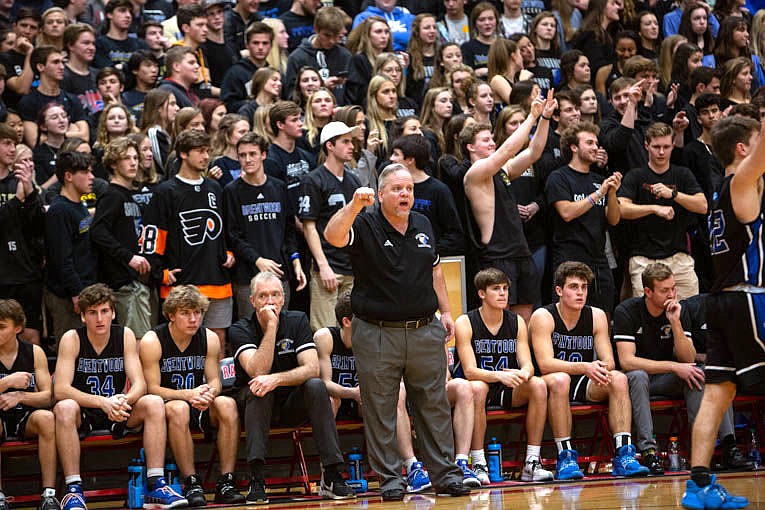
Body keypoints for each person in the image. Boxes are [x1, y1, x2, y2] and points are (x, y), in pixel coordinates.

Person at [324, 164, 470, 501]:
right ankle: (391, 479)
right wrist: (354, 206)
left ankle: (445, 475)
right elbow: (332, 236)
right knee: (381, 407)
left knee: (433, 405)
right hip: (376, 332)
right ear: (381, 194)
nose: (405, 194)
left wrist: (446, 312)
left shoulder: (422, 224)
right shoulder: (363, 221)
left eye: (409, 189)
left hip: (424, 330)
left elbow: (435, 272)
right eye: (397, 189)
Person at [316, 291, 482, 490]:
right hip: (355, 398)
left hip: (401, 395)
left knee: (461, 387)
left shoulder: (422, 326)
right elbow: (324, 383)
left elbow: (441, 375)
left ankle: (462, 462)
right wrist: (354, 393)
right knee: (387, 394)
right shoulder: (329, 338)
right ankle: (410, 466)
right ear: (349, 322)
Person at [680, 115, 763, 509]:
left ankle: (698, 486)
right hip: (748, 298)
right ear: (743, 150)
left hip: (721, 301)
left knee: (717, 394)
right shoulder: (740, 184)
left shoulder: (718, 195)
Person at [53, 284, 187, 510]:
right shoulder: (72, 339)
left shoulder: (124, 335)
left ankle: (156, 483)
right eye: (93, 313)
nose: (100, 318)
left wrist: (123, 400)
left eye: (105, 311)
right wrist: (103, 402)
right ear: (83, 316)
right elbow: (61, 389)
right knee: (64, 407)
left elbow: (140, 384)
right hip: (85, 410)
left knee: (153, 402)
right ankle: (73, 490)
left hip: (118, 409)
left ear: (113, 312)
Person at [228, 271, 355, 503]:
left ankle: (333, 474)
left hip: (290, 405)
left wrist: (276, 379)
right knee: (259, 390)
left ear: (283, 298)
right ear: (252, 300)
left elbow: (311, 368)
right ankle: (257, 479)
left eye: (275, 295)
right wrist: (272, 327)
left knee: (316, 385)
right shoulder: (239, 329)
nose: (270, 301)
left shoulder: (297, 320)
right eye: (263, 296)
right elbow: (257, 371)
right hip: (253, 407)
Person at [614, 263, 749, 475]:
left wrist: (675, 323)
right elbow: (627, 361)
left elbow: (687, 358)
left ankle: (723, 447)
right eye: (664, 290)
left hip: (667, 379)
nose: (671, 294)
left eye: (673, 288)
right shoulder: (627, 311)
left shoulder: (678, 309)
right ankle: (649, 452)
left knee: (701, 373)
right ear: (648, 292)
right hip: (639, 379)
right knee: (638, 376)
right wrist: (675, 367)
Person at [529, 261, 650, 479]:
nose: (580, 293)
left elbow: (609, 361)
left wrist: (597, 369)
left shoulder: (596, 315)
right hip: (550, 383)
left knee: (618, 379)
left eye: (584, 287)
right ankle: (565, 456)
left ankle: (624, 453)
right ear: (559, 290)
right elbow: (545, 364)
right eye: (573, 287)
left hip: (584, 380)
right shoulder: (543, 316)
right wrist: (585, 367)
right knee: (560, 380)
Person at [140, 285, 244, 507]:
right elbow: (152, 389)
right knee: (179, 408)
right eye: (185, 313)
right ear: (171, 315)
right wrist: (187, 395)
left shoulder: (209, 338)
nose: (193, 319)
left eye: (197, 313)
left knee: (227, 404)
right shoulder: (153, 340)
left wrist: (210, 393)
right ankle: (191, 482)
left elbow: (215, 381)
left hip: (199, 400)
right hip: (168, 405)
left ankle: (226, 482)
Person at [453, 268, 557, 483]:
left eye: (505, 289)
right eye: (496, 289)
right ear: (482, 294)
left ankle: (532, 462)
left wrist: (524, 373)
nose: (503, 294)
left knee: (537, 384)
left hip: (506, 386)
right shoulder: (465, 322)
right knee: (478, 388)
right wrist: (500, 376)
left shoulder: (516, 321)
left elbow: (528, 363)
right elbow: (470, 371)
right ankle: (478, 462)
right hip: (476, 387)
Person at [463, 92, 555, 325]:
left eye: (492, 139)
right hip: (497, 256)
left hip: (521, 252)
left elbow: (534, 152)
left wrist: (544, 118)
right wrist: (531, 117)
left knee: (524, 321)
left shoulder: (502, 171)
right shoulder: (474, 174)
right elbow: (506, 152)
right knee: (500, 321)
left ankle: (522, 362)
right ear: (470, 147)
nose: (492, 143)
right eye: (486, 140)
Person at [141, 130, 235, 352]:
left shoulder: (214, 187)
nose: (205, 156)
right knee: (182, 343)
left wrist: (228, 253)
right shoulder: (165, 191)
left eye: (207, 151)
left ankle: (217, 387)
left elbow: (225, 228)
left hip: (217, 279)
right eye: (200, 151)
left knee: (218, 342)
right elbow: (152, 237)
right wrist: (159, 272)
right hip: (181, 284)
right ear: (183, 154)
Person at [619, 122, 707, 299]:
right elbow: (621, 208)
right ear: (646, 146)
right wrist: (654, 208)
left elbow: (702, 206)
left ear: (673, 146)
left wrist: (673, 194)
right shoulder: (635, 175)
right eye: (656, 147)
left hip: (678, 257)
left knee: (690, 313)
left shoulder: (682, 174)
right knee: (645, 317)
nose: (661, 152)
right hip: (643, 258)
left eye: (666, 147)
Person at [223, 132, 306, 318]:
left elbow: (289, 230)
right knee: (251, 332)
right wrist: (257, 259)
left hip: (279, 271)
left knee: (281, 329)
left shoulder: (278, 187)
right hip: (247, 276)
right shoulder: (231, 191)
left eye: (252, 154)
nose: (247, 159)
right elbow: (232, 236)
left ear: (263, 155)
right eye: (242, 155)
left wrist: (296, 261)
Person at [545, 122, 621, 313]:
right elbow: (567, 212)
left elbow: (613, 220)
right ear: (574, 147)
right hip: (570, 258)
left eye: (596, 143)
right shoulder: (559, 177)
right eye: (589, 143)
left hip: (599, 260)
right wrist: (599, 194)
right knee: (569, 316)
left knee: (603, 315)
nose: (596, 147)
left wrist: (611, 194)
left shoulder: (598, 180)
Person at [298, 121, 361, 331]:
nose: (351, 146)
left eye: (351, 141)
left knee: (352, 330)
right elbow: (309, 226)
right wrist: (323, 265)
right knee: (325, 332)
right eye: (345, 142)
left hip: (351, 266)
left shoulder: (354, 181)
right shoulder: (313, 180)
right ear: (329, 146)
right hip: (328, 266)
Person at [91, 137, 152, 339]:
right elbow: (98, 231)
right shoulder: (112, 195)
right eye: (127, 158)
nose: (134, 162)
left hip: (134, 279)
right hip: (122, 282)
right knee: (136, 340)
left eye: (136, 157)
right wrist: (128, 257)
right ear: (114, 163)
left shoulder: (128, 194)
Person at [0, 299, 58, 510]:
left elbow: (47, 397)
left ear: (18, 327)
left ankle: (49, 494)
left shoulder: (34, 352)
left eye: (1, 327)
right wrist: (6, 382)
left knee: (47, 417)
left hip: (26, 416)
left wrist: (20, 396)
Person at [44, 151, 96, 342]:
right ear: (68, 176)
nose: (92, 177)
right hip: (66, 296)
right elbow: (61, 258)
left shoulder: (79, 205)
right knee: (70, 348)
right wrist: (76, 293)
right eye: (86, 172)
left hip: (84, 289)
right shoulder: (59, 211)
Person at [0, 124, 44, 346]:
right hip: (2, 272)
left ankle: (33, 381)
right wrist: (16, 202)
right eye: (7, 143)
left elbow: (38, 226)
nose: (12, 149)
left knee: (30, 335)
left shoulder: (20, 182)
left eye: (14, 144)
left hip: (25, 272)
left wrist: (30, 194)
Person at [389, 134, 464, 256]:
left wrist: (428, 250)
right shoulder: (391, 189)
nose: (391, 159)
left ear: (410, 160)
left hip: (429, 263)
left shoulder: (439, 190)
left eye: (396, 154)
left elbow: (455, 236)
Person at [17, 45, 89, 147]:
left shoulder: (72, 99)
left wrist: (51, 134)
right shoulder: (29, 101)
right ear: (41, 67)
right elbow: (34, 141)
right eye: (56, 62)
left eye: (62, 62)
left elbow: (85, 136)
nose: (62, 67)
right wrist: (71, 130)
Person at [284, 7, 351, 101]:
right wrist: (321, 87)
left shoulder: (345, 56)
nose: (331, 41)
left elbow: (352, 94)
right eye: (327, 35)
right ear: (316, 29)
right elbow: (290, 97)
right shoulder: (297, 58)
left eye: (336, 36)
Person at [93, 0, 145, 70]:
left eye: (130, 12)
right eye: (122, 11)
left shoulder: (141, 44)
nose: (128, 15)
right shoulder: (99, 44)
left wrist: (121, 67)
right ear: (110, 14)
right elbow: (107, 71)